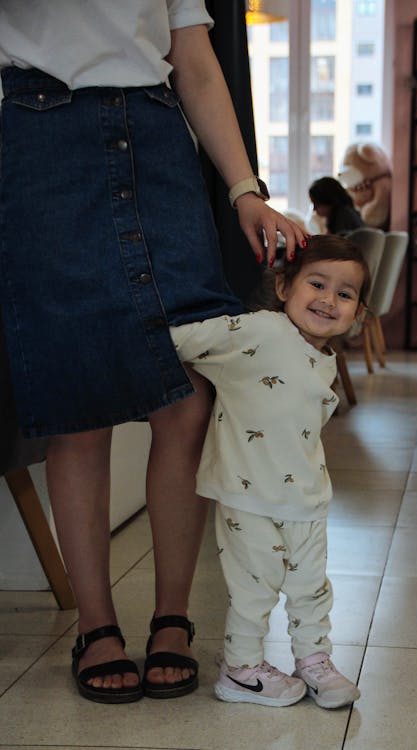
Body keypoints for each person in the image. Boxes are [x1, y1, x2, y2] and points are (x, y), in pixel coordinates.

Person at [0, 1, 307, 704]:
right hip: (43, 142)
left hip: (159, 144)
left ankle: (173, 616)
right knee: (80, 405)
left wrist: (243, 190)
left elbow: (195, 63)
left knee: (187, 399)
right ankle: (96, 626)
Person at [171, 234, 370, 708]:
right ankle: (240, 670)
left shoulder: (324, 357)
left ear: (358, 314)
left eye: (344, 294)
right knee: (253, 588)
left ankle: (314, 662)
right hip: (249, 497)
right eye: (317, 284)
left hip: (306, 497)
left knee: (311, 589)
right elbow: (186, 340)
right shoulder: (261, 330)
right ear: (284, 287)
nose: (328, 299)